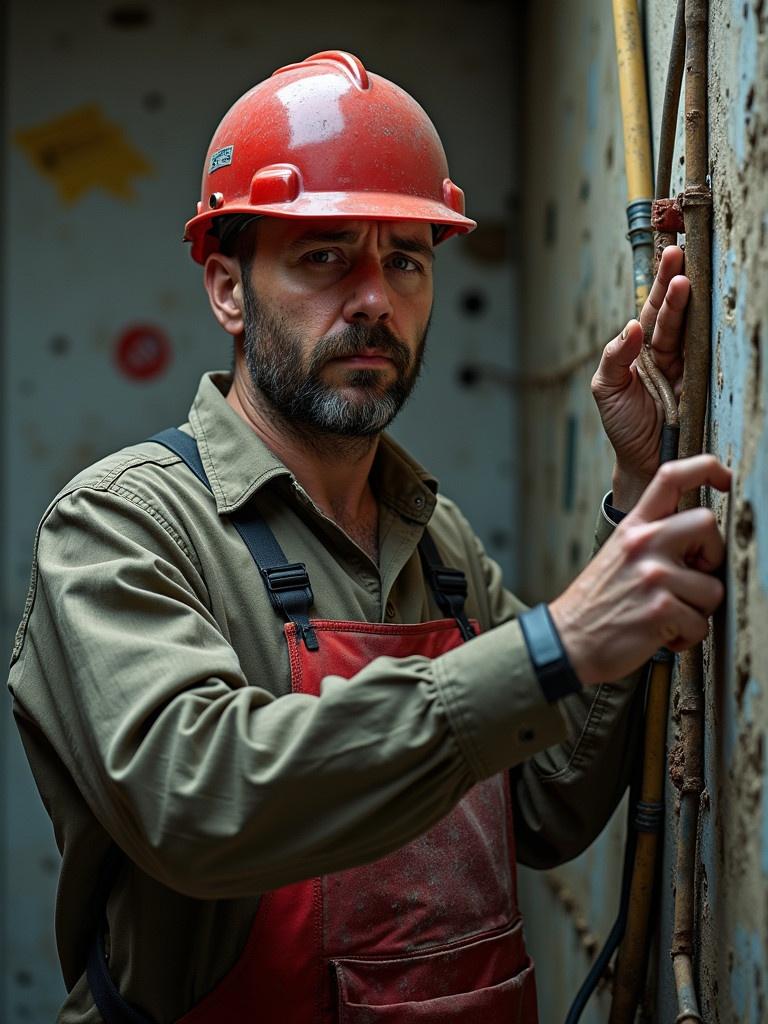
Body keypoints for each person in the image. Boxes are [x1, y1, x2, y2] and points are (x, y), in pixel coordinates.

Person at [8, 50, 729, 1024]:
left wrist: (635, 494)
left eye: (406, 258)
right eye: (324, 255)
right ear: (228, 287)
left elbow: (548, 802)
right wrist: (549, 646)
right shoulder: (123, 523)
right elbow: (198, 797)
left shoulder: (434, 541)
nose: (374, 301)